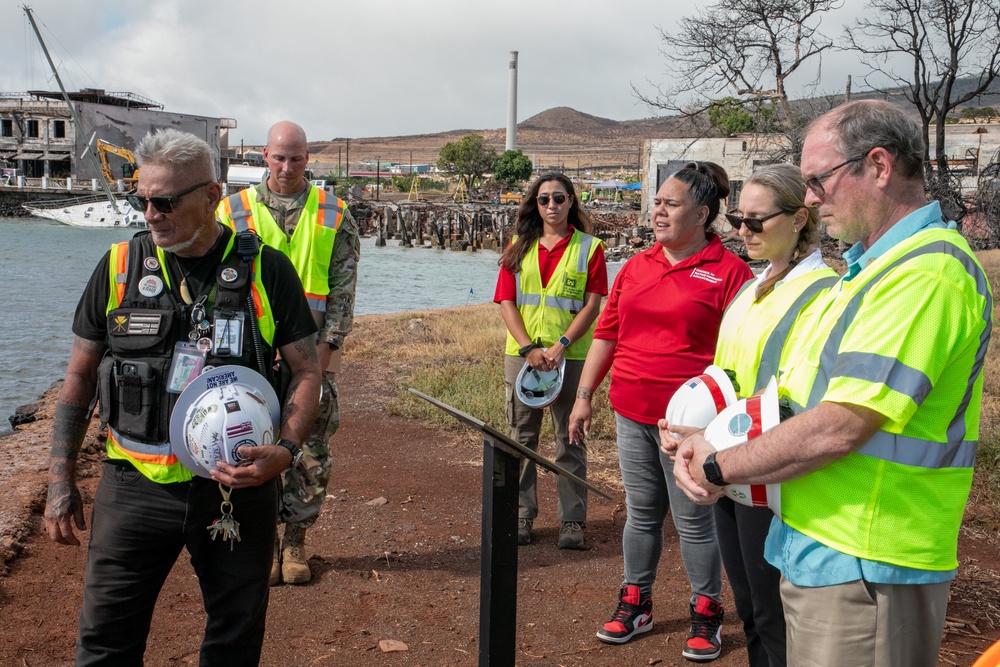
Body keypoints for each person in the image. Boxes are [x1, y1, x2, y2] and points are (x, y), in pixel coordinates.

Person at [673, 100, 993, 667]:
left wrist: (720, 465)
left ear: (878, 166)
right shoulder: (868, 272)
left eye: (818, 180)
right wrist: (705, 434)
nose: (812, 197)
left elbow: (841, 424)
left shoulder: (925, 274)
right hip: (825, 550)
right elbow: (797, 401)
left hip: (870, 558)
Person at [43, 128, 322, 666]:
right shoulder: (120, 267)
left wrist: (285, 452)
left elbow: (307, 371)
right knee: (104, 643)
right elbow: (78, 375)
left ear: (213, 196)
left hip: (235, 491)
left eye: (166, 201)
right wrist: (61, 479)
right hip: (133, 488)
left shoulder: (267, 269)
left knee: (233, 642)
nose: (151, 213)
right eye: (142, 199)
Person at [569, 162, 753, 661]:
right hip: (631, 410)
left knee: (695, 520)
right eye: (657, 203)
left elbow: (744, 352)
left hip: (692, 426)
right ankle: (636, 601)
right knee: (642, 513)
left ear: (703, 213)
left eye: (670, 204)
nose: (658, 212)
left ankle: (706, 610)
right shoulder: (635, 265)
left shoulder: (729, 271)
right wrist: (585, 395)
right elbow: (607, 332)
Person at [663, 163, 837, 667]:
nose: (743, 231)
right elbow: (727, 375)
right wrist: (687, 421)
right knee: (747, 603)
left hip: (767, 469)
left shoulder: (823, 293)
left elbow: (800, 394)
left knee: (771, 610)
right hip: (726, 461)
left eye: (757, 221)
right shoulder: (753, 286)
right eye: (739, 219)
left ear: (800, 218)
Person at [218, 120, 360, 585]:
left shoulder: (334, 214)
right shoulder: (230, 212)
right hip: (247, 357)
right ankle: (254, 542)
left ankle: (295, 542)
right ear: (264, 155)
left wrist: (324, 352)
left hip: (314, 354)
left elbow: (342, 293)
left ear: (307, 159)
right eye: (279, 157)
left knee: (310, 450)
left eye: (296, 158)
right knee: (243, 442)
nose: (286, 167)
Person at [494, 173, 608, 549]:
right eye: (544, 200)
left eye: (559, 198)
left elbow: (592, 305)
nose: (552, 206)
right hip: (523, 357)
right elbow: (507, 302)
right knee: (521, 438)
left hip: (570, 356)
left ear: (572, 201)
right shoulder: (517, 246)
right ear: (535, 204)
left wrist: (560, 345)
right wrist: (529, 348)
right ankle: (522, 516)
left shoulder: (589, 248)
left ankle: (572, 521)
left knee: (570, 438)